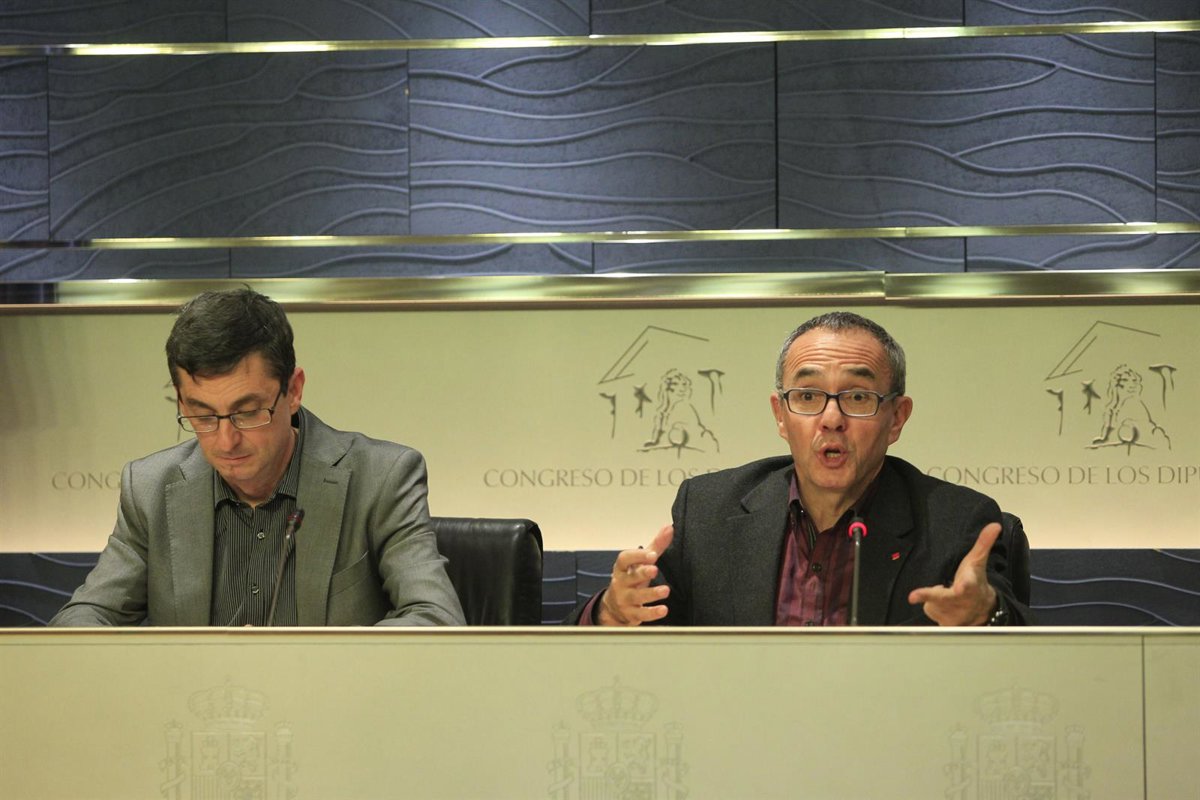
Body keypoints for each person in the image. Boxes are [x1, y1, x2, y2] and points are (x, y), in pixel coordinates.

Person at [570, 311, 1031, 627]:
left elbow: (1025, 649)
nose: (831, 419)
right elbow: (644, 619)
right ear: (780, 415)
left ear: (896, 418)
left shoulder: (957, 523)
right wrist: (612, 610)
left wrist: (985, 614)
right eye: (808, 397)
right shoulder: (711, 512)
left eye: (858, 397)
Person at [51, 288, 464, 626]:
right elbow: (82, 619)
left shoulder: (382, 479)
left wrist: (304, 662)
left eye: (248, 412)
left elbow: (435, 617)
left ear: (293, 390)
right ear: (180, 400)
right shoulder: (149, 489)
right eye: (202, 415)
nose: (226, 441)